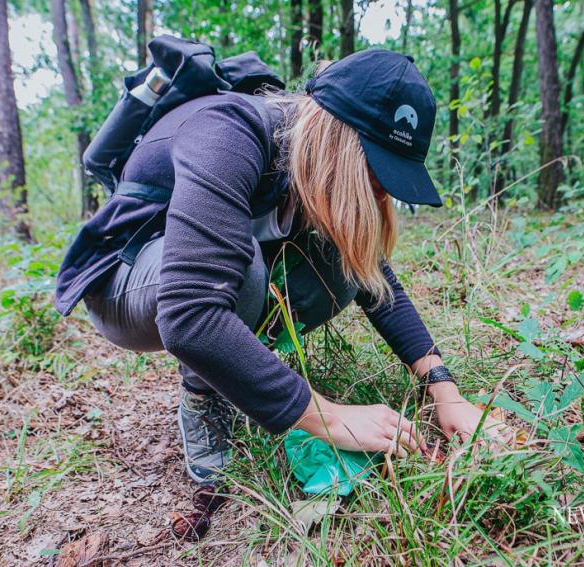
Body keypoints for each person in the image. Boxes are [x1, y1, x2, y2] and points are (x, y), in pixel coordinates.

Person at [81, 49, 502, 486]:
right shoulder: (230, 133)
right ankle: (202, 396)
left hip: (195, 274)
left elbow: (378, 283)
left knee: (346, 263)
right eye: (377, 170)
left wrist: (444, 391)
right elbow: (189, 315)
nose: (382, 190)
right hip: (120, 277)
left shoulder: (313, 165)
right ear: (338, 139)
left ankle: (234, 363)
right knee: (238, 268)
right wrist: (329, 417)